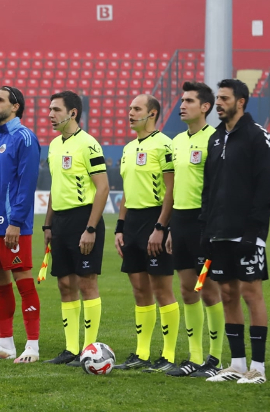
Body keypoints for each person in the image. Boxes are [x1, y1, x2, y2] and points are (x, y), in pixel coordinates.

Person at [203, 79, 270, 385]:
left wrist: (255, 233)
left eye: (224, 98)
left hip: (246, 232)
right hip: (218, 231)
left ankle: (257, 367)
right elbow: (209, 189)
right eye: (217, 98)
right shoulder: (216, 138)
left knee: (250, 293)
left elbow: (263, 189)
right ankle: (235, 365)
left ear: (241, 102)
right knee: (228, 294)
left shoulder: (258, 137)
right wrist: (205, 229)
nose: (218, 103)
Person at [0, 86, 41, 363]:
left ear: (15, 106)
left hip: (14, 226)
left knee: (23, 281)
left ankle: (33, 347)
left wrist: (16, 222)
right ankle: (5, 344)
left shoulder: (25, 138)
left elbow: (26, 184)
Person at [113, 94, 180, 373]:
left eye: (136, 108)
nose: (130, 112)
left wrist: (161, 228)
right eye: (129, 108)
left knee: (162, 289)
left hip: (155, 220)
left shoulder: (165, 145)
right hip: (132, 224)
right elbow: (127, 192)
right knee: (140, 290)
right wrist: (119, 227)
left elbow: (171, 189)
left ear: (152, 114)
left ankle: (168, 355)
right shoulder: (128, 148)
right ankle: (141, 354)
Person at [43, 91, 109, 366]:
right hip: (59, 221)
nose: (50, 114)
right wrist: (48, 223)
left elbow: (103, 187)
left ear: (72, 113)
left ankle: (88, 349)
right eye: (50, 109)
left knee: (86, 283)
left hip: (84, 220)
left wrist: (90, 228)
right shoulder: (54, 145)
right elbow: (55, 187)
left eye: (56, 109)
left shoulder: (88, 144)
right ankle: (70, 349)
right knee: (64, 284)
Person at [166, 82, 225, 378]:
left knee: (209, 290)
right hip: (181, 221)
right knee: (188, 290)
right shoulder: (176, 141)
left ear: (205, 107)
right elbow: (174, 187)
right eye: (182, 100)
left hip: (205, 224)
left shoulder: (215, 139)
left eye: (189, 100)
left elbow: (219, 188)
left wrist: (213, 227)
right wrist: (168, 228)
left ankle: (215, 359)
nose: (182, 105)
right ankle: (195, 357)